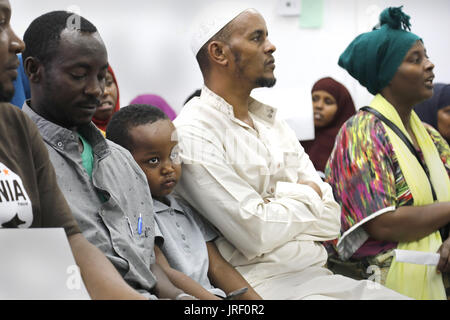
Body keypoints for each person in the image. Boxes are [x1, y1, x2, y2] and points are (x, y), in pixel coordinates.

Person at [173, 5, 407, 299]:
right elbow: (256, 233)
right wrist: (308, 193)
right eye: (257, 38)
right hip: (264, 287)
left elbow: (332, 217)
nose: (271, 46)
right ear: (219, 53)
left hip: (320, 275)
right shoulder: (192, 132)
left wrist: (273, 204)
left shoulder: (271, 122)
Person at [21, 10, 195, 300]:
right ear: (34, 70)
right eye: (79, 75)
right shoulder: (17, 160)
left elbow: (148, 266)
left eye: (102, 76)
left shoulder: (124, 161)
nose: (96, 90)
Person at [0, 0, 149, 300]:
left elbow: (72, 241)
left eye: (102, 76)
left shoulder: (13, 128)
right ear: (34, 71)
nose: (17, 42)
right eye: (1, 23)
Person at [326, 6, 450, 300]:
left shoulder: (430, 136)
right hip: (385, 285)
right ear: (388, 74)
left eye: (427, 56)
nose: (430, 65)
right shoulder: (361, 132)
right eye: (415, 59)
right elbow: (382, 223)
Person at [106, 104, 263, 300]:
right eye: (154, 161)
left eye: (174, 155)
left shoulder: (184, 207)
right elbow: (165, 272)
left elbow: (217, 266)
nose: (169, 168)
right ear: (123, 164)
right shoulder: (138, 215)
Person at [301, 77, 356, 178]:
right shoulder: (298, 135)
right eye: (314, 99)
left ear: (341, 108)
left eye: (328, 102)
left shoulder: (346, 142)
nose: (319, 106)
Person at [92, 65, 120, 135]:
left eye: (109, 83)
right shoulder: (72, 137)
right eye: (94, 85)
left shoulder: (130, 134)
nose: (105, 92)